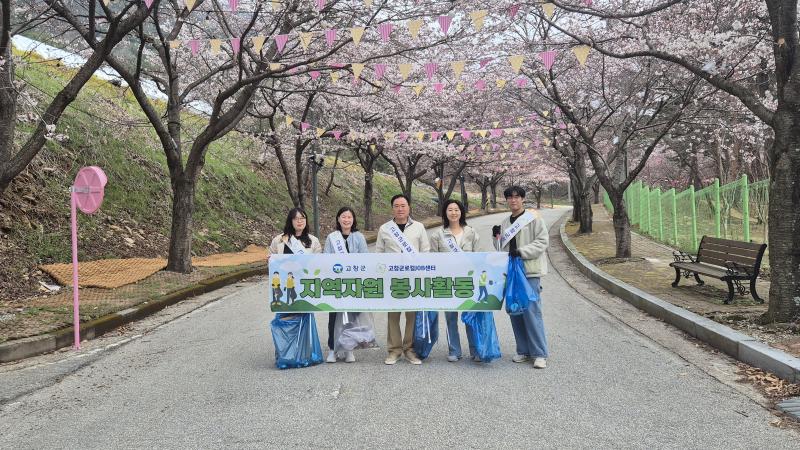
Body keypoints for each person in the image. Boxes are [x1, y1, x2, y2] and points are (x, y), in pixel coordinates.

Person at [493, 186, 549, 369]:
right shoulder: (504, 222)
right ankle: (523, 350)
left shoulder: (533, 219)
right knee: (515, 310)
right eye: (509, 197)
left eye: (516, 197)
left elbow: (542, 242)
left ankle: (539, 353)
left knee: (532, 311)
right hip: (511, 272)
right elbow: (501, 248)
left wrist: (521, 252)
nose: (513, 200)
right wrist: (496, 237)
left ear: (523, 199)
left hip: (529, 271)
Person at [375, 194, 431, 365]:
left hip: (413, 278)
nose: (400, 208)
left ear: (409, 207)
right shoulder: (385, 228)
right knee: (393, 315)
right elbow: (379, 254)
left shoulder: (419, 227)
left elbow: (425, 252)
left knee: (411, 315)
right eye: (397, 206)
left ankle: (410, 350)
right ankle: (394, 351)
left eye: (403, 205)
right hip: (392, 279)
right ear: (392, 208)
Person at [430, 199, 481, 362]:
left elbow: (479, 256)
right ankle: (454, 350)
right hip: (446, 282)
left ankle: (476, 350)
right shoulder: (438, 234)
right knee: (451, 318)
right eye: (450, 210)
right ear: (445, 212)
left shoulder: (471, 232)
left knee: (470, 316)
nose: (453, 212)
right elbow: (432, 260)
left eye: (456, 209)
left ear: (461, 212)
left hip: (468, 282)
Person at [323, 207, 370, 363]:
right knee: (334, 316)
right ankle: (333, 349)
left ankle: (349, 348)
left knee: (352, 317)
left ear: (353, 219)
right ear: (338, 219)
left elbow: (365, 260)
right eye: (343, 216)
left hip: (353, 284)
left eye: (349, 217)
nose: (346, 220)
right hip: (336, 284)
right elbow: (326, 259)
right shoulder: (332, 237)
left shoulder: (359, 237)